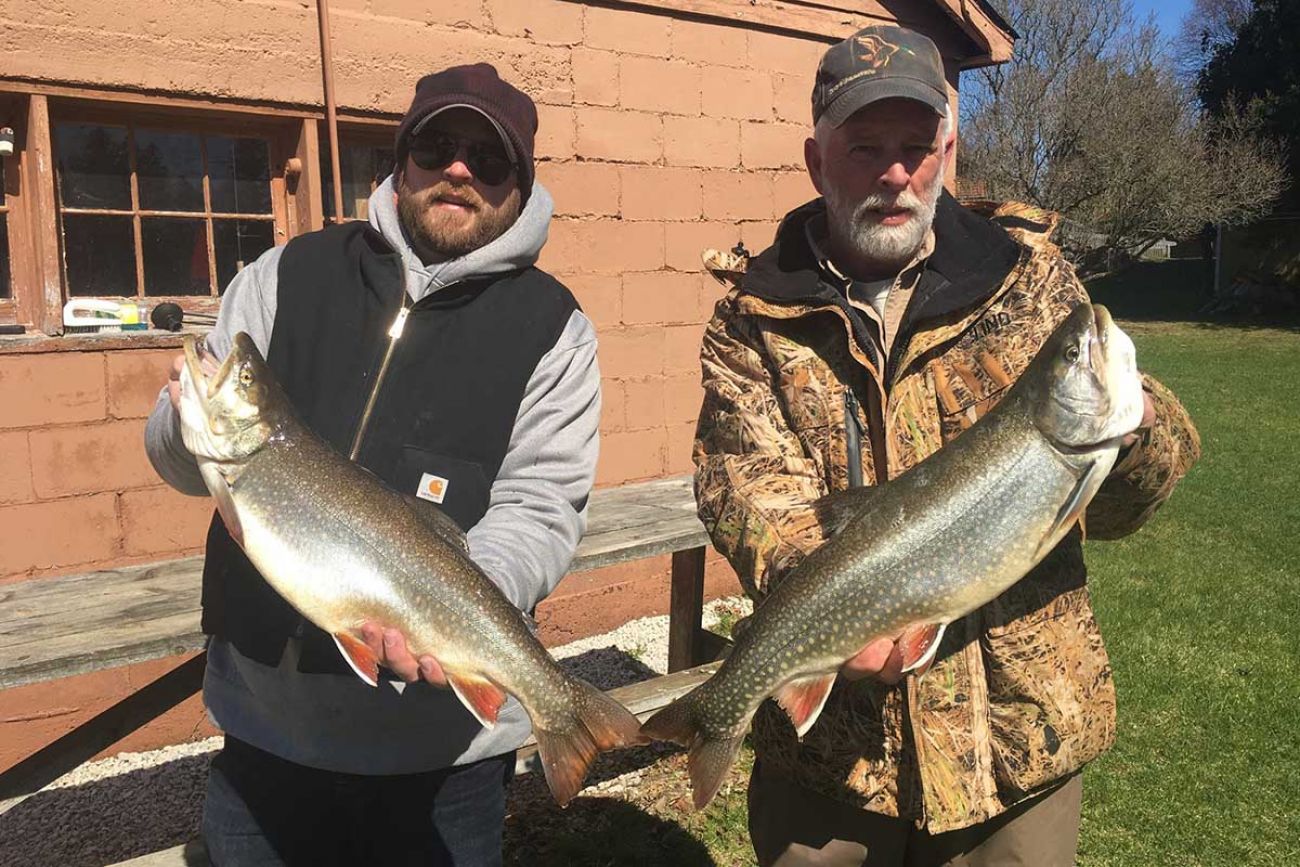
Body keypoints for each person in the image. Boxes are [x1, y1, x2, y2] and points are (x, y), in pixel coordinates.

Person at [693, 25, 1201, 867]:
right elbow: (745, 489)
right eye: (865, 148)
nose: (895, 173)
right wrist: (831, 607)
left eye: (916, 145)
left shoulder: (1027, 276)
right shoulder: (755, 317)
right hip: (831, 766)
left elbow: (1140, 491)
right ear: (817, 161)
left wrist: (1138, 430)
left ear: (949, 151)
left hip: (1014, 742)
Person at [145, 64, 600, 866]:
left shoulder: (554, 327)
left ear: (521, 186)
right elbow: (177, 462)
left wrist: (450, 606)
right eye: (438, 145)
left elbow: (543, 504)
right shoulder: (283, 274)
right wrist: (186, 425)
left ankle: (563, 709)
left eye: (489, 160)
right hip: (266, 736)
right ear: (402, 158)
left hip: (443, 760)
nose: (459, 169)